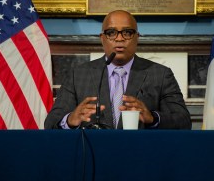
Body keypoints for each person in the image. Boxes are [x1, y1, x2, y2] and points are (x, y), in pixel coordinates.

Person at [44, 10, 191, 129]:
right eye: (111, 33)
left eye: (127, 32)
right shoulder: (78, 75)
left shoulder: (160, 74)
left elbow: (183, 121)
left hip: (142, 158)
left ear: (137, 38)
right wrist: (70, 120)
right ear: (102, 38)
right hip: (93, 158)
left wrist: (152, 118)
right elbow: (50, 123)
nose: (119, 39)